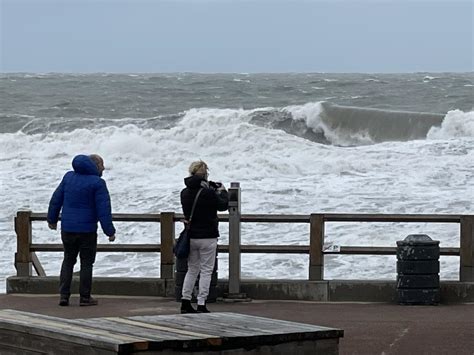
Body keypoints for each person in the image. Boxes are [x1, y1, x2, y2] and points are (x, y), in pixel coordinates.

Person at [47, 154, 116, 307]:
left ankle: (64, 296)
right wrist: (109, 231)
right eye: (101, 165)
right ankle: (85, 297)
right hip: (87, 230)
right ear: (95, 166)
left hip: (68, 228)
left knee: (68, 261)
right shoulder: (98, 183)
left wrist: (52, 219)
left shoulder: (69, 177)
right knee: (86, 263)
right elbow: (103, 210)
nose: (103, 168)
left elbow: (56, 199)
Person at [180, 160, 228, 313]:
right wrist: (222, 191)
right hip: (207, 236)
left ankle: (185, 301)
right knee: (206, 270)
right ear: (205, 173)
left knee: (192, 269)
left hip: (191, 236)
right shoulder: (208, 193)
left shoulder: (184, 192)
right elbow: (222, 206)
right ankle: (201, 303)